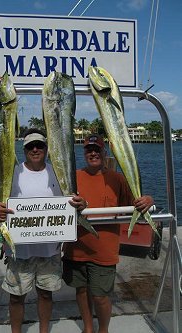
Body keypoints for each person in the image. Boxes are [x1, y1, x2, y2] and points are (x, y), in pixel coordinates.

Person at [0, 128, 84, 333]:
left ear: (47, 148)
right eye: (30, 146)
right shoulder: (13, 172)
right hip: (19, 251)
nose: (35, 149)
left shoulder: (58, 171)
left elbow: (75, 199)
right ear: (24, 149)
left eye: (40, 145)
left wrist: (81, 203)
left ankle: (44, 330)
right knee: (16, 297)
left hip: (50, 251)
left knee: (46, 294)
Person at [62, 134, 154, 333]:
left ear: (104, 153)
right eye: (89, 150)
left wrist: (148, 199)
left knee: (100, 296)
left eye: (97, 149)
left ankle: (103, 329)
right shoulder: (73, 176)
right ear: (83, 152)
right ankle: (88, 328)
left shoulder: (117, 178)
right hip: (75, 248)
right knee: (81, 290)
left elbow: (135, 202)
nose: (93, 153)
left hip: (104, 251)